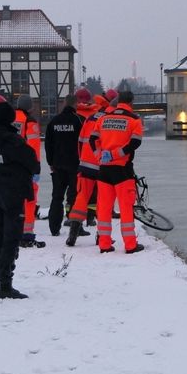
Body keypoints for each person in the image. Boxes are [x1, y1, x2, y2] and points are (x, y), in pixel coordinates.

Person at [0, 101, 40, 299]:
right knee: (11, 238)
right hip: (12, 195)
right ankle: (5, 283)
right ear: (11, 119)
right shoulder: (14, 142)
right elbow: (33, 164)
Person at [90, 90, 144, 254]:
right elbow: (135, 143)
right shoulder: (134, 120)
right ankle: (130, 245)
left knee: (104, 208)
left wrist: (100, 156)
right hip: (123, 170)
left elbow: (92, 139)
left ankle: (104, 244)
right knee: (126, 208)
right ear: (131, 102)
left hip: (104, 169)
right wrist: (117, 154)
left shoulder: (103, 118)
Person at [66, 89, 118, 247]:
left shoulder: (91, 118)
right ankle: (101, 236)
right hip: (102, 164)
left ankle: (73, 233)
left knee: (81, 197)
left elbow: (80, 141)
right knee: (103, 200)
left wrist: (82, 160)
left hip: (85, 164)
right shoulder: (111, 119)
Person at [44, 94, 84, 236]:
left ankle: (54, 228)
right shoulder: (79, 121)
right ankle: (75, 228)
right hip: (75, 165)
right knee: (74, 196)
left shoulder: (54, 121)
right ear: (76, 105)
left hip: (57, 165)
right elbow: (84, 143)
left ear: (64, 103)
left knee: (57, 197)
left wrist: (50, 162)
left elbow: (48, 144)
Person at [14, 94, 45, 248]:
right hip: (27, 166)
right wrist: (36, 167)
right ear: (30, 107)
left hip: (12, 165)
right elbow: (33, 146)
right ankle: (27, 234)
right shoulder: (30, 122)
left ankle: (14, 231)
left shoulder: (11, 119)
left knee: (14, 200)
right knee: (30, 200)